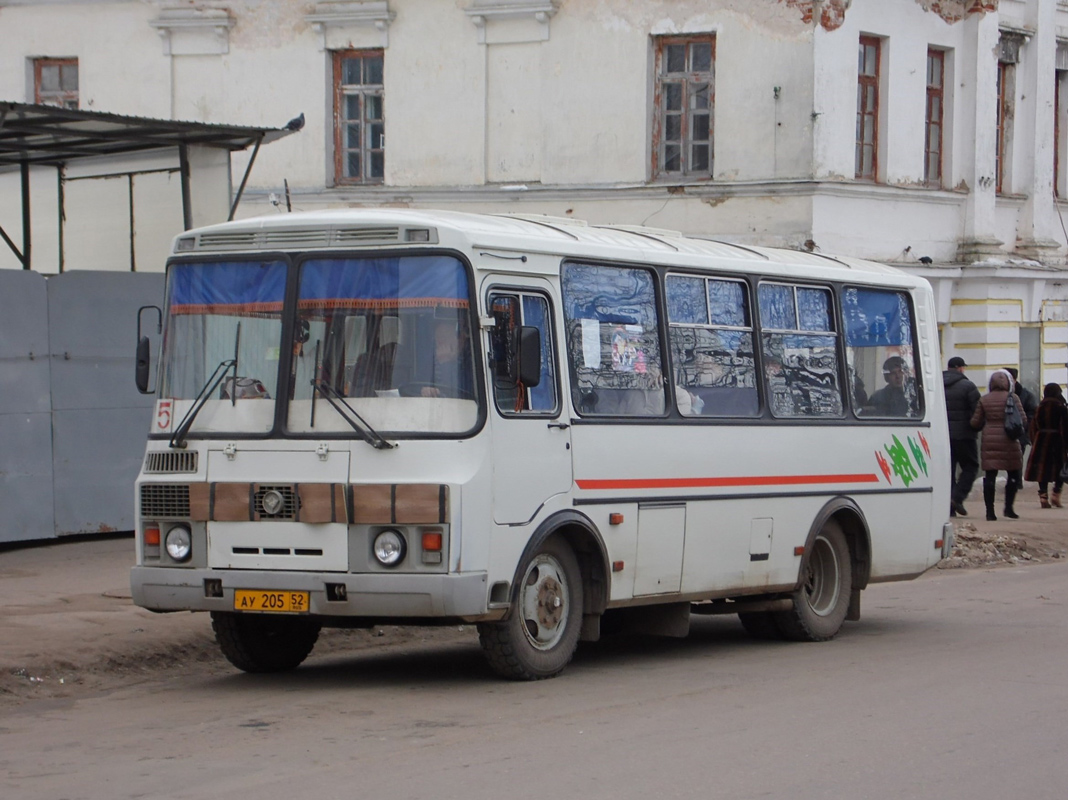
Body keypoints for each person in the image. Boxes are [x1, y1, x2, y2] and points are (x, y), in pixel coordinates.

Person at [970, 369, 1026, 521]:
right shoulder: (1013, 397)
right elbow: (1023, 419)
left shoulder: (985, 399)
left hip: (990, 440)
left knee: (990, 477)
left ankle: (990, 512)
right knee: (1013, 474)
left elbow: (975, 422)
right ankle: (1009, 508)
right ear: (1008, 383)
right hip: (1010, 440)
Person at [943, 356, 980, 516]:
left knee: (948, 471)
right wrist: (975, 427)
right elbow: (978, 411)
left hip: (943, 436)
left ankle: (949, 506)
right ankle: (957, 497)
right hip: (964, 436)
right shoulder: (968, 386)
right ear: (959, 368)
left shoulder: (937, 384)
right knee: (970, 467)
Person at [1024, 383, 1068, 508]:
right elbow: (1065, 428)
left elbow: (1033, 427)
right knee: (1060, 469)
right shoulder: (1061, 408)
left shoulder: (1039, 407)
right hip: (1057, 442)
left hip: (1041, 441)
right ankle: (1056, 494)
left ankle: (1043, 497)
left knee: (1041, 470)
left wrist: (1034, 441)